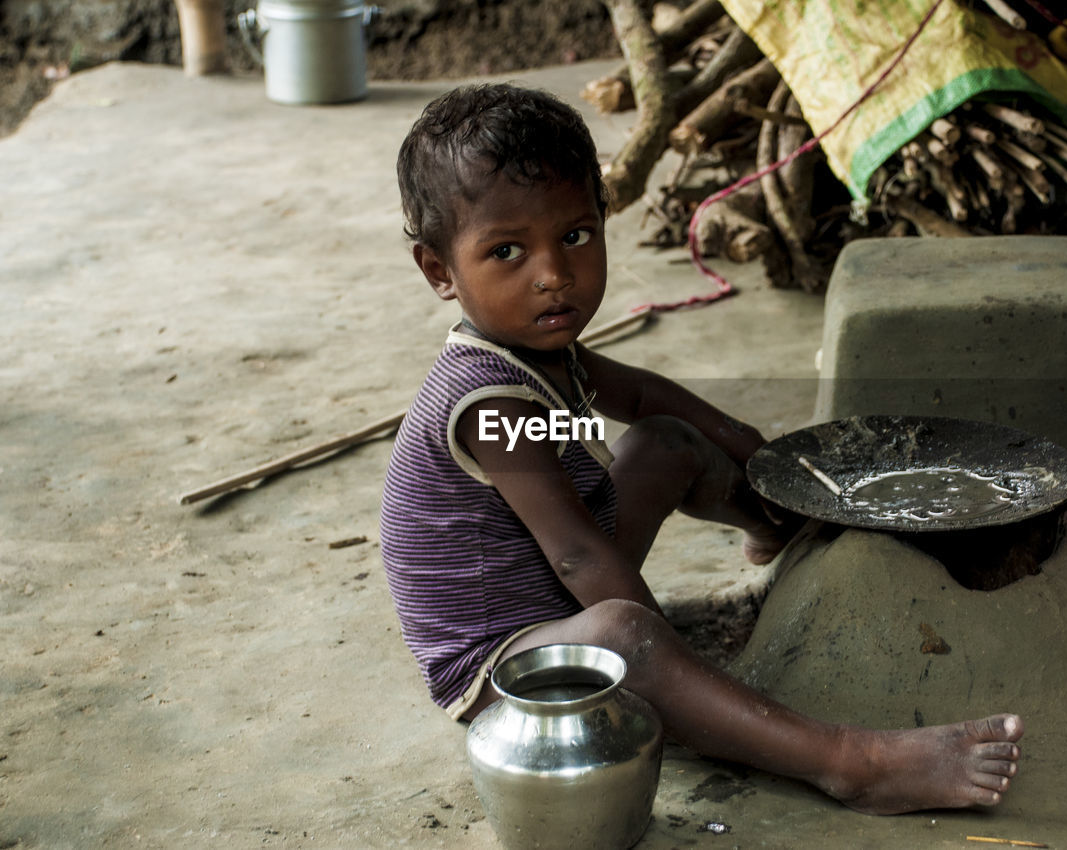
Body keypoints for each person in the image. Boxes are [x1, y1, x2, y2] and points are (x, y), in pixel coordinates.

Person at [380, 82, 1023, 815]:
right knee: (625, 631)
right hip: (502, 658)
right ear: (439, 271)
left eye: (576, 236)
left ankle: (770, 531)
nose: (553, 273)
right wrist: (673, 665)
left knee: (666, 444)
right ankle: (852, 763)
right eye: (506, 252)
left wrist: (752, 453)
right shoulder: (490, 403)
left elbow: (649, 401)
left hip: (550, 585)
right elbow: (578, 559)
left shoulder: (542, 348)